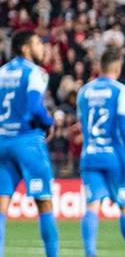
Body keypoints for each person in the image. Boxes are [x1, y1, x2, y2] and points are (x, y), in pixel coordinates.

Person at [77, 47, 125, 257]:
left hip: (89, 156)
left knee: (92, 206)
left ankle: (90, 253)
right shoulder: (121, 91)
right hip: (116, 158)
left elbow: (82, 124)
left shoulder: (84, 91)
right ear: (117, 67)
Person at [0, 30, 59, 257]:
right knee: (44, 202)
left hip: (3, 142)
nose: (42, 47)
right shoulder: (35, 73)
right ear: (25, 48)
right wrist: (49, 122)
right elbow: (35, 106)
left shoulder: (2, 72)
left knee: (1, 207)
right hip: (28, 142)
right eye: (37, 42)